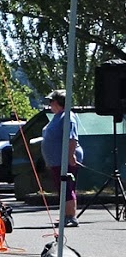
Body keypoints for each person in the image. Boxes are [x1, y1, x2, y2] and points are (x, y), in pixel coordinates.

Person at [41, 89, 82, 228]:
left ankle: (71, 217)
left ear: (59, 102)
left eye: (52, 101)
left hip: (65, 159)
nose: (50, 104)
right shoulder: (58, 116)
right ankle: (65, 215)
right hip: (56, 160)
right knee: (62, 187)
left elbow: (72, 138)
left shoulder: (68, 117)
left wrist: (71, 156)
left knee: (67, 186)